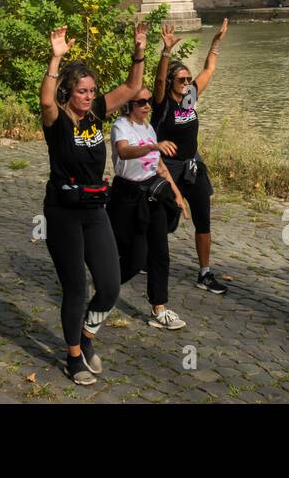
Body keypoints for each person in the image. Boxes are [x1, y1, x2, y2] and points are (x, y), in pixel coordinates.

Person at [40, 20, 148, 386]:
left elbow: (134, 87)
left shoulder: (98, 113)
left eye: (91, 91)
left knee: (111, 284)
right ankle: (72, 357)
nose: (88, 96)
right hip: (63, 212)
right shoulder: (57, 122)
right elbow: (44, 100)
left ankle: (86, 336)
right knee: (76, 288)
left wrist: (139, 50)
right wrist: (55, 61)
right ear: (68, 93)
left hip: (95, 210)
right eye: (81, 91)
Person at [154, 19, 230, 294]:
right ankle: (141, 255)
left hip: (192, 166)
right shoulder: (162, 104)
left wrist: (216, 41)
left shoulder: (190, 97)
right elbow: (161, 80)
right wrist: (166, 52)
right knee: (161, 220)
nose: (187, 83)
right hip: (167, 167)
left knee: (203, 218)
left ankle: (205, 272)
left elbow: (209, 68)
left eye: (188, 79)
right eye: (182, 79)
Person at [111, 86, 190, 330]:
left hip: (152, 193)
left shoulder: (148, 127)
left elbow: (159, 165)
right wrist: (153, 147)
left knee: (160, 252)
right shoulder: (120, 126)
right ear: (129, 105)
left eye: (148, 102)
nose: (147, 106)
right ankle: (104, 286)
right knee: (135, 259)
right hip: (127, 195)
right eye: (141, 102)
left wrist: (177, 194)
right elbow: (123, 152)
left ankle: (159, 309)